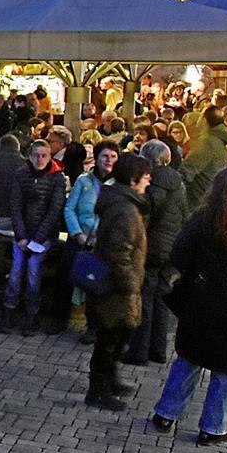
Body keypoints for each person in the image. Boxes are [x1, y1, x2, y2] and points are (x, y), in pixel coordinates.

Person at [150, 167, 227, 444]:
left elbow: (179, 255)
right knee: (226, 371)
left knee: (189, 359)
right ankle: (213, 428)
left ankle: (166, 413)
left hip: (200, 299)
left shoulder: (202, 219)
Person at [85, 153, 151, 411]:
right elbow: (119, 253)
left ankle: (109, 381)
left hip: (118, 285)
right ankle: (98, 389)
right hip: (117, 287)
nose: (149, 180)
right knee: (109, 337)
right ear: (133, 179)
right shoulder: (126, 210)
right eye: (145, 176)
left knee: (114, 336)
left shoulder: (124, 204)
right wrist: (131, 284)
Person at [123, 141, 188, 365]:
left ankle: (138, 351)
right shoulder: (179, 183)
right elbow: (183, 214)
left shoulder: (151, 184)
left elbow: (145, 219)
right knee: (161, 298)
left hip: (151, 248)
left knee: (145, 298)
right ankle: (158, 350)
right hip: (171, 247)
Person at [0, 140, 67, 335]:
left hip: (43, 233)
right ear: (30, 156)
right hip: (23, 232)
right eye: (36, 155)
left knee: (33, 270)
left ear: (50, 157)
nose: (40, 159)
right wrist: (21, 236)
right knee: (16, 270)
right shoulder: (21, 174)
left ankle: (32, 312)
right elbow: (15, 205)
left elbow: (55, 211)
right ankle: (9, 309)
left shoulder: (57, 178)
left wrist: (37, 239)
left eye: (44, 155)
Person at [62, 141, 120, 336]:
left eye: (113, 157)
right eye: (105, 156)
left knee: (98, 283)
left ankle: (93, 326)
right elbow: (70, 208)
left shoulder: (118, 184)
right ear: (96, 157)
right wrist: (77, 233)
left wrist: (100, 237)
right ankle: (59, 317)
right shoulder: (83, 180)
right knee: (67, 270)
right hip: (80, 235)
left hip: (103, 240)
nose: (109, 160)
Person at [181, 106, 227, 208]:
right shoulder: (218, 140)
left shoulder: (206, 142)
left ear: (204, 120)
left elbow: (188, 170)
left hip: (200, 200)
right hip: (212, 196)